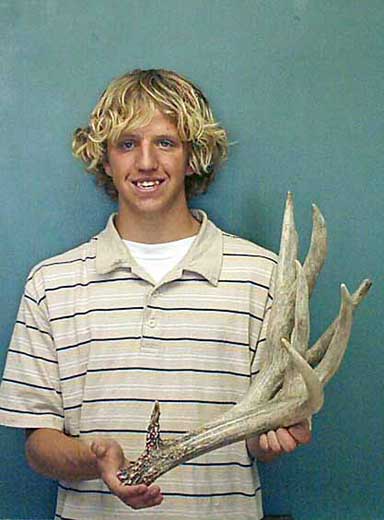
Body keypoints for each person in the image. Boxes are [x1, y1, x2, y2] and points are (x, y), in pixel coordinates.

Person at [0, 69, 311, 519]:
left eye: (165, 142)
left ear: (192, 156)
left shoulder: (263, 277)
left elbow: (259, 442)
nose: (146, 162)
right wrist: (94, 459)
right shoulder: (51, 284)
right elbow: (37, 447)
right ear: (105, 160)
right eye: (127, 144)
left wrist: (273, 437)